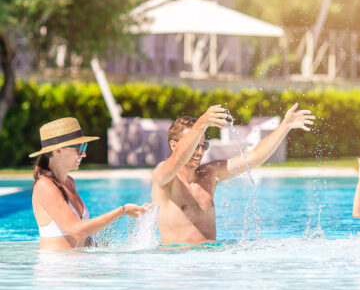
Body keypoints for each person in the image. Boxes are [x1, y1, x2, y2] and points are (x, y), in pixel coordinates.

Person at [151, 103, 315, 245]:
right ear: (173, 145)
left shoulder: (209, 174)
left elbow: (254, 157)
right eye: (195, 144)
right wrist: (202, 123)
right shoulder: (164, 176)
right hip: (176, 267)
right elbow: (179, 158)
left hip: (207, 266)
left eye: (203, 145)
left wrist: (284, 126)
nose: (200, 151)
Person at [30, 117, 150, 250]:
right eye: (79, 148)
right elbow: (76, 230)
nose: (84, 154)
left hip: (77, 265)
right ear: (58, 151)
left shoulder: (69, 182)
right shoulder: (44, 186)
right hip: (56, 267)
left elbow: (83, 238)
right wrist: (122, 211)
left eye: (84, 146)